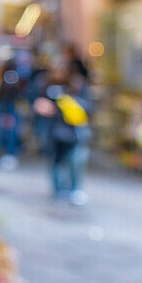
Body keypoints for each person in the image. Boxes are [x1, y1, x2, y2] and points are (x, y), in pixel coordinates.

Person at [34, 67, 91, 205]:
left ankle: (74, 189)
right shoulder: (45, 85)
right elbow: (36, 103)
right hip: (54, 131)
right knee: (56, 161)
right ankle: (59, 189)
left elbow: (88, 107)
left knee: (74, 161)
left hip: (73, 131)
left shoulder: (77, 86)